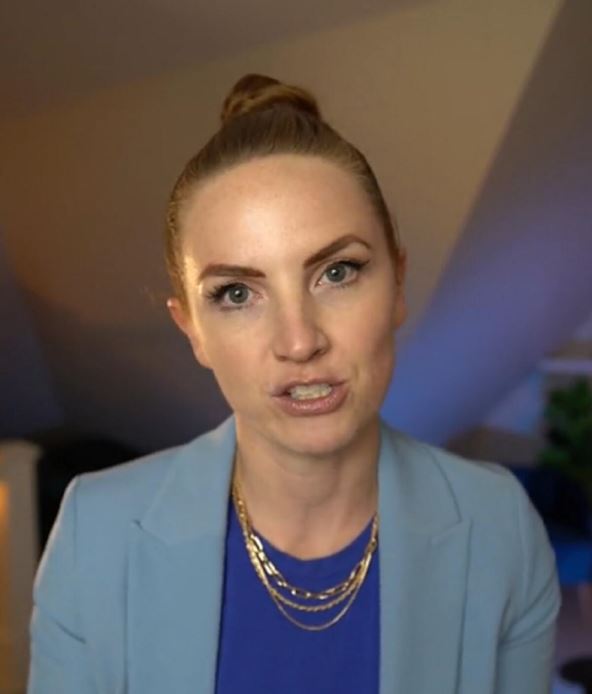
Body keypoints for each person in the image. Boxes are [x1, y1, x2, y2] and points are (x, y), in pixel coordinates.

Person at [28, 74, 561, 694]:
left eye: (337, 272)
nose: (300, 340)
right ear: (193, 331)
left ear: (397, 284)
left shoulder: (501, 528)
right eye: (236, 293)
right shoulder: (94, 535)